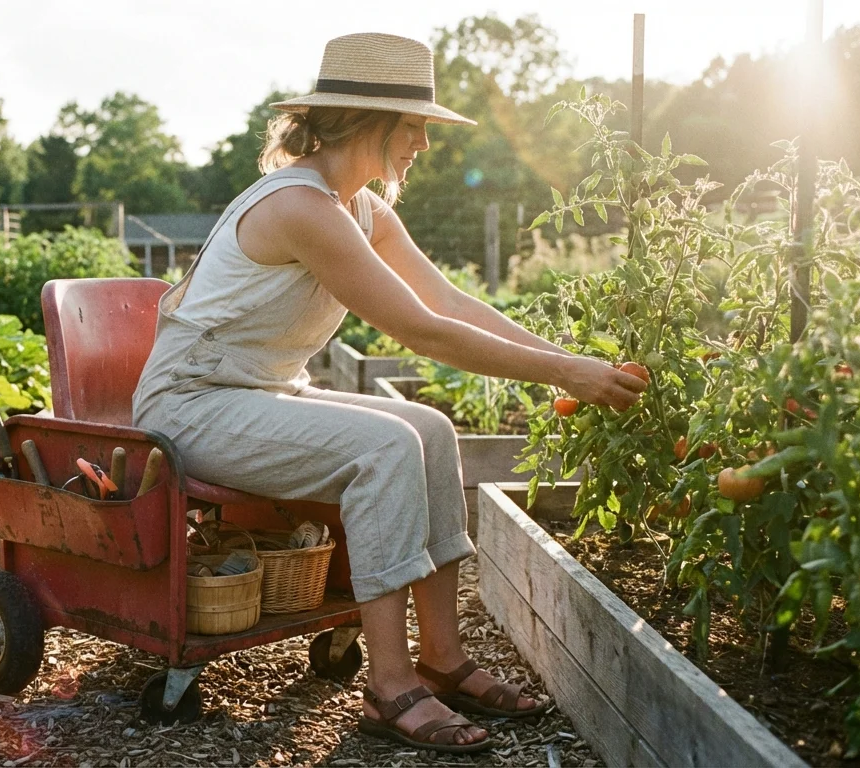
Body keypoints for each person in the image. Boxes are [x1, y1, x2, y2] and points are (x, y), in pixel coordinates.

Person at [131, 32, 646, 754]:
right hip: (189, 406)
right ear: (369, 122)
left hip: (258, 393)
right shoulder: (301, 207)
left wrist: (570, 361)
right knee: (384, 448)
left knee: (429, 429)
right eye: (416, 128)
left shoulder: (362, 208)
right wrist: (567, 377)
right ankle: (390, 684)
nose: (424, 146)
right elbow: (420, 331)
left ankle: (442, 656)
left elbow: (450, 303)